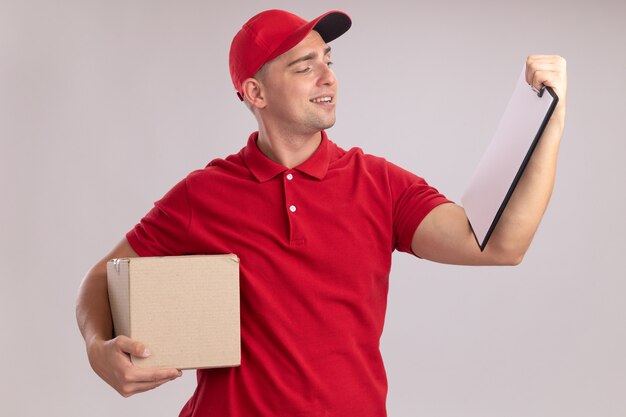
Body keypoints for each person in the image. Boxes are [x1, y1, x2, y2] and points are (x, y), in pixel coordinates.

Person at [76, 9, 567, 417]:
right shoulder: (202, 194)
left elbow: (502, 245)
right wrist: (100, 351)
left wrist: (553, 116)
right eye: (303, 65)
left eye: (327, 59)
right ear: (256, 93)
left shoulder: (379, 184)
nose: (328, 76)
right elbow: (101, 277)